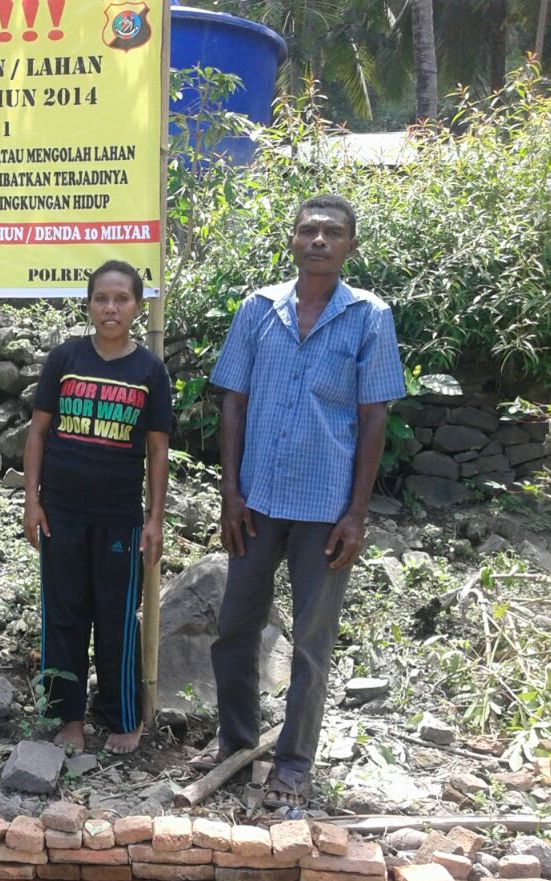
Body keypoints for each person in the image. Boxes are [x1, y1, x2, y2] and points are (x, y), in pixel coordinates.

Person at [200, 194, 405, 808]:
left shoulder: (369, 316)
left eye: (332, 233)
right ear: (291, 240)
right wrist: (230, 492)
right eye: (308, 230)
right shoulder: (258, 309)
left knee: (311, 646)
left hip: (325, 510)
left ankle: (292, 763)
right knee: (234, 628)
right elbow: (232, 399)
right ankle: (236, 744)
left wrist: (357, 513)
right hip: (257, 502)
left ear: (350, 246)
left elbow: (374, 418)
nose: (319, 240)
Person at [23, 260, 171, 755]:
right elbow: (38, 432)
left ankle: (123, 717)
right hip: (60, 512)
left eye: (121, 300)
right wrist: (32, 501)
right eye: (101, 299)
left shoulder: (149, 370)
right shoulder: (65, 359)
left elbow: (156, 449)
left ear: (135, 306)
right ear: (88, 304)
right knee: (63, 613)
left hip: (120, 518)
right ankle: (66, 717)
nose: (111, 308)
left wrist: (154, 519)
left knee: (116, 617)